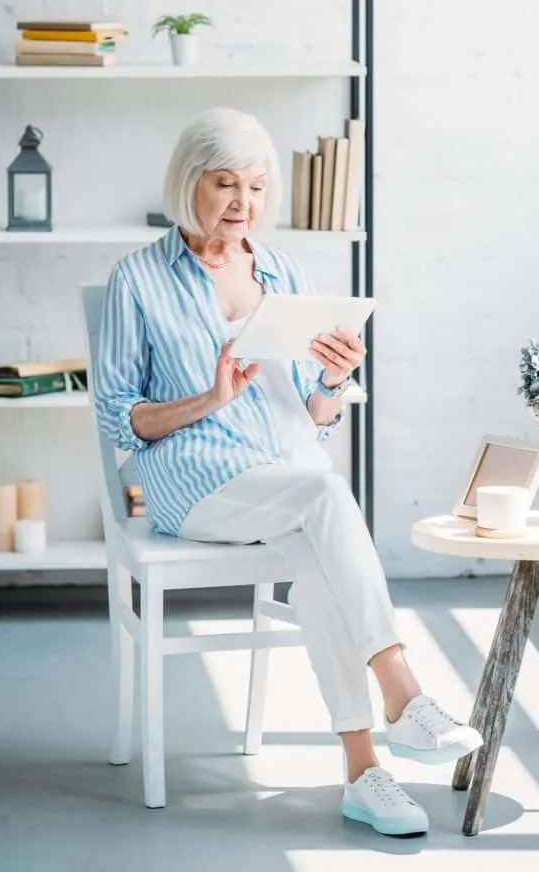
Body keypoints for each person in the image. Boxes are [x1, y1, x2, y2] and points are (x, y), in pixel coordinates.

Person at [94, 108, 482, 838]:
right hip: (193, 478)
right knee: (325, 497)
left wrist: (334, 383)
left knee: (315, 545)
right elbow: (119, 419)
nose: (244, 204)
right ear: (190, 184)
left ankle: (365, 773)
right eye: (225, 185)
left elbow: (314, 411)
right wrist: (208, 399)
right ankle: (403, 694)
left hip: (286, 475)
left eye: (257, 187)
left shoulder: (283, 271)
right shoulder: (137, 280)